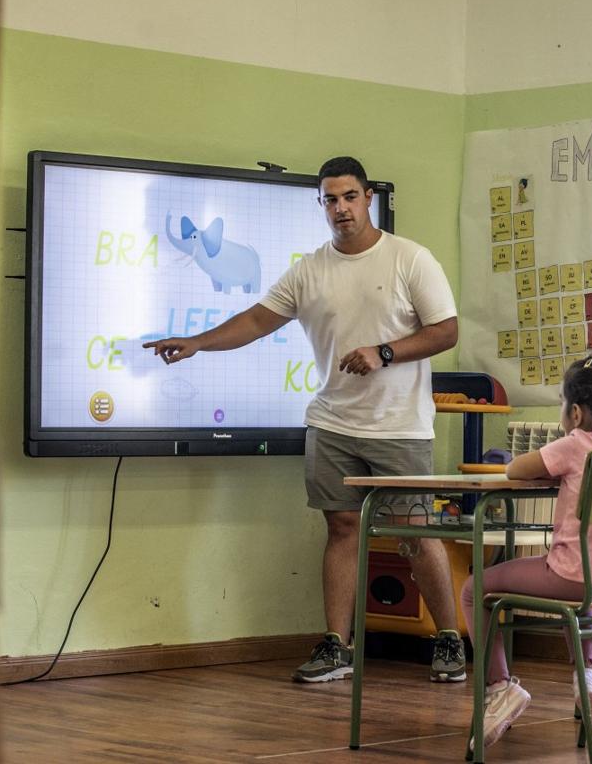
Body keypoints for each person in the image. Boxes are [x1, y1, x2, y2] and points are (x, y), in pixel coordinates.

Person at [143, 156, 466, 685]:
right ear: (321, 205)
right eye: (330, 200)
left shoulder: (410, 259)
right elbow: (255, 320)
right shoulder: (310, 269)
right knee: (341, 529)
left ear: (367, 198)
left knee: (415, 532)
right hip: (333, 423)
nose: (340, 208)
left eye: (349, 197)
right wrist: (197, 342)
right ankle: (337, 646)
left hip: (398, 426)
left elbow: (446, 331)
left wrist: (384, 353)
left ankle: (449, 640)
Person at [462, 355, 592, 749]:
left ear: (576, 412)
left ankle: (500, 687)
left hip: (573, 579)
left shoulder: (574, 444)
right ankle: (588, 681)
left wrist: (552, 465)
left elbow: (515, 469)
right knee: (582, 594)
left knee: (474, 587)